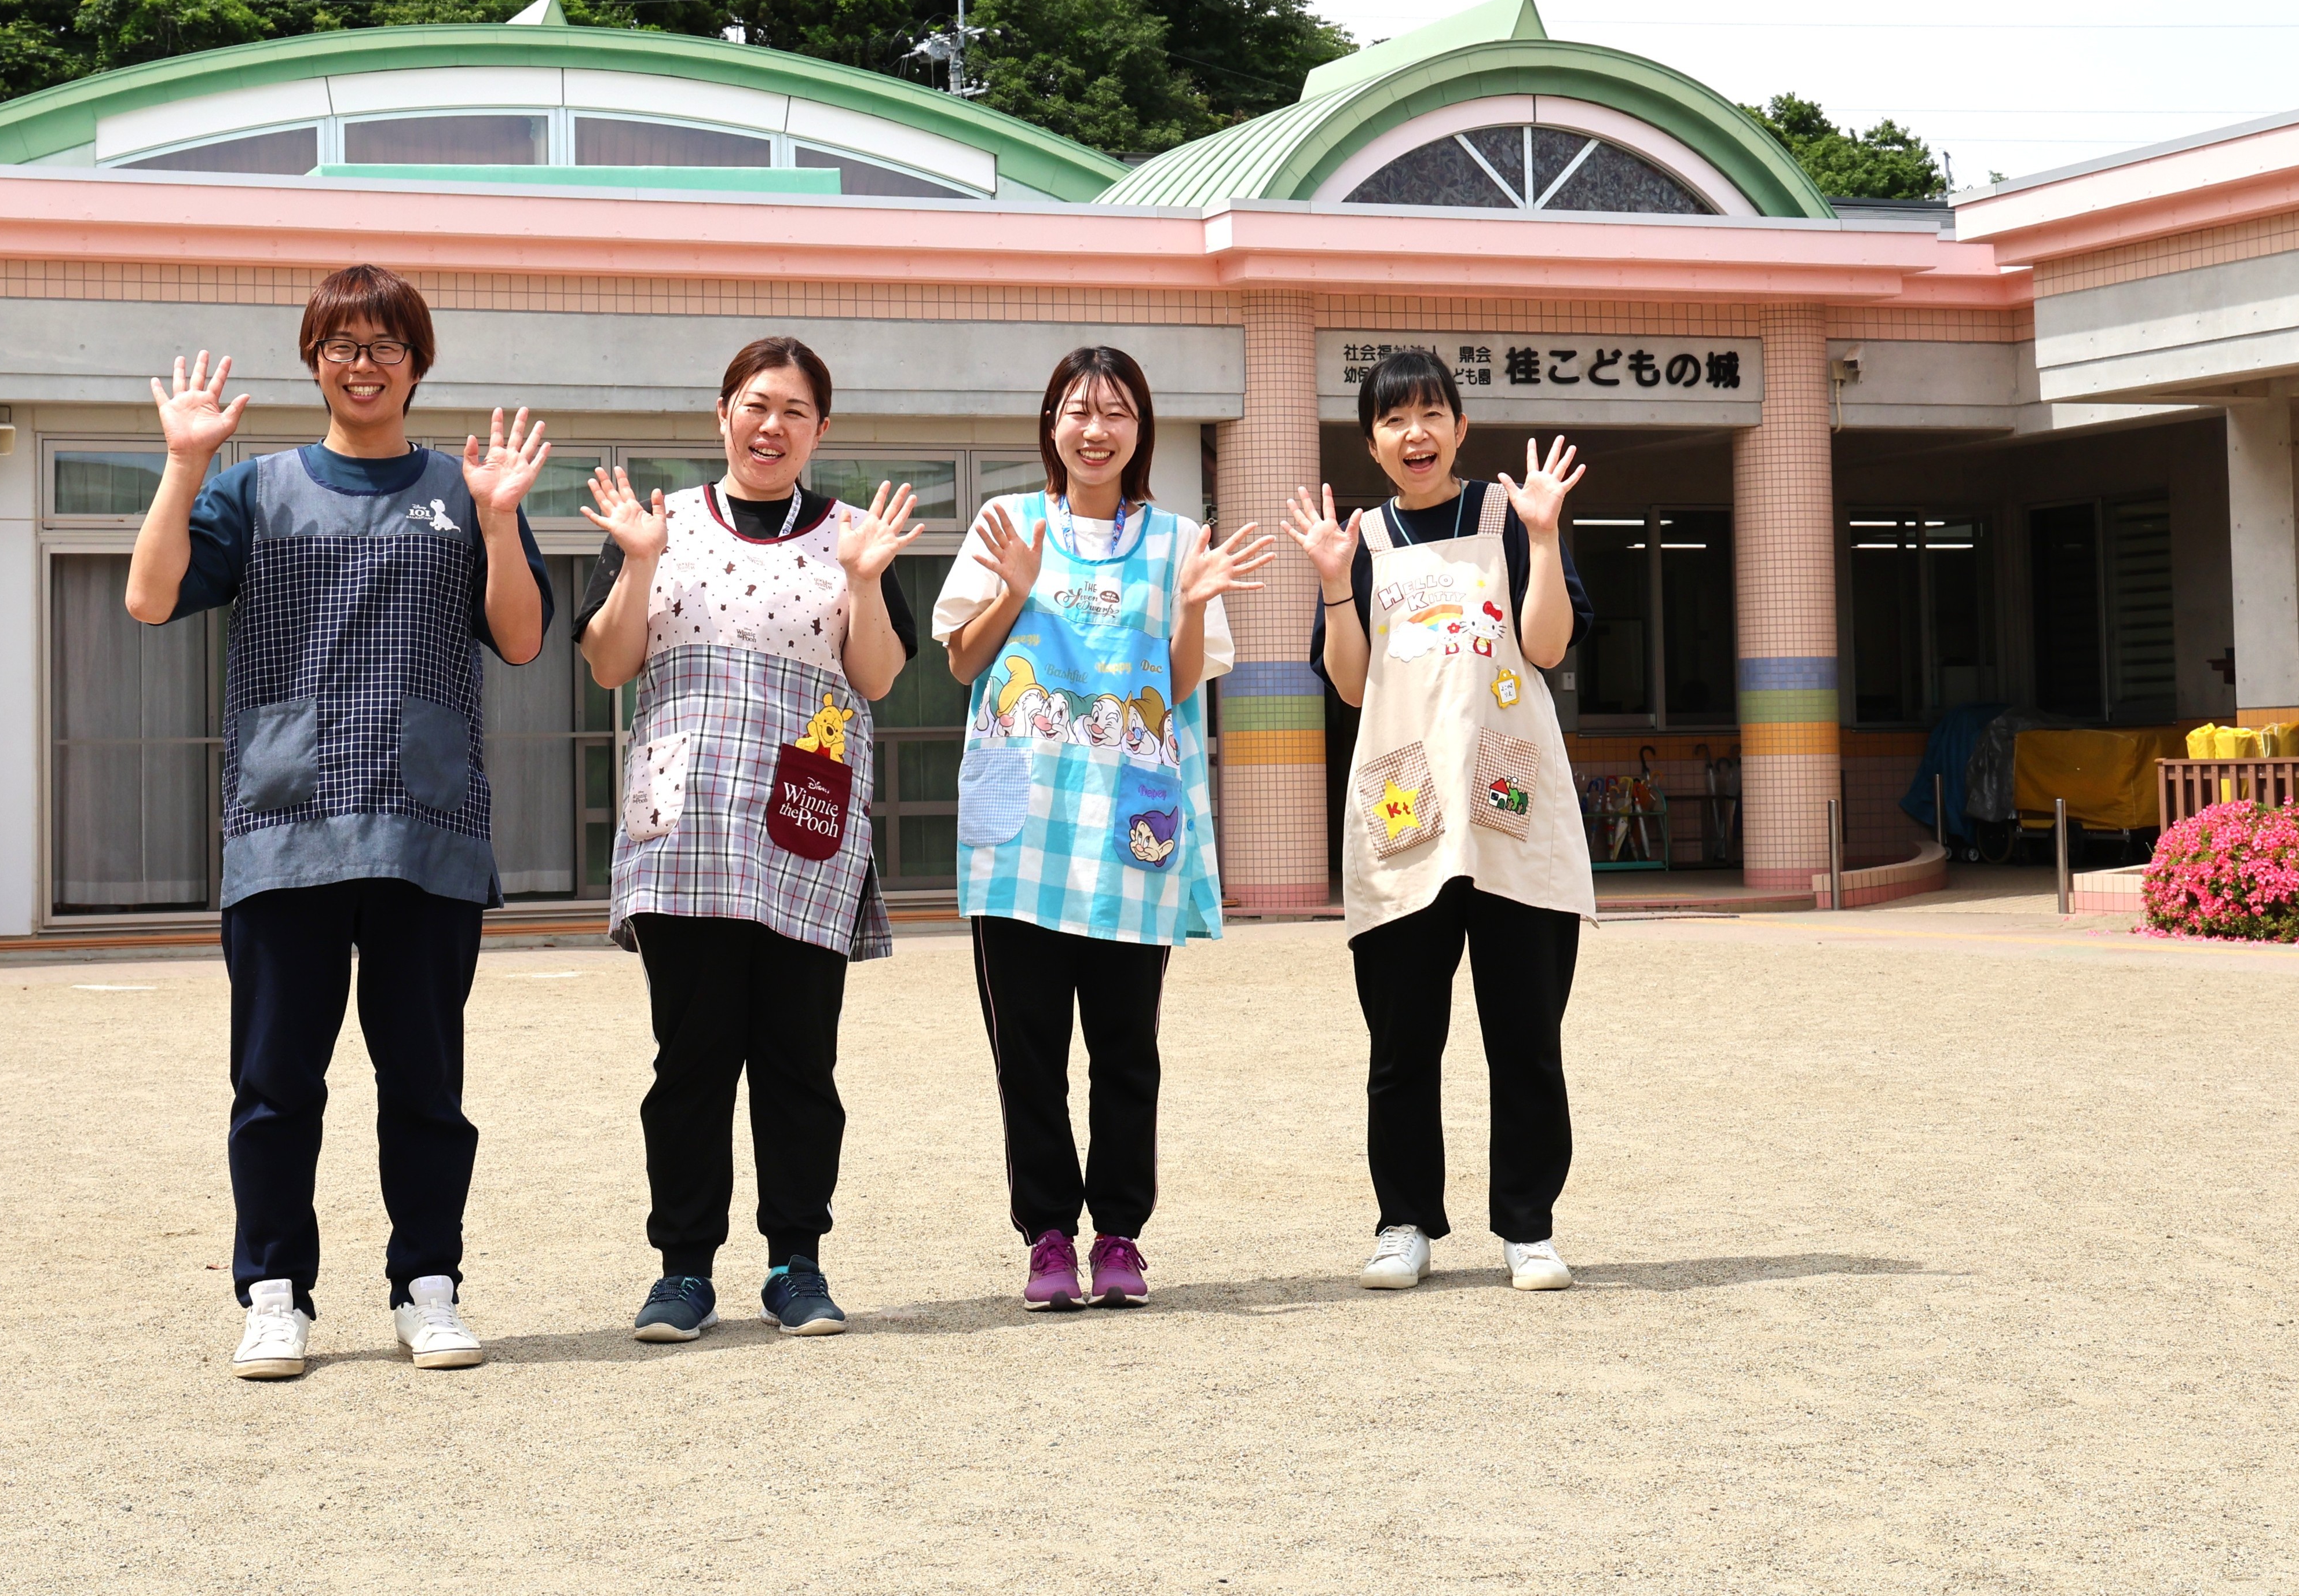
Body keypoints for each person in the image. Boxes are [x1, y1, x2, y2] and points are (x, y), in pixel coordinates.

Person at [126, 262, 557, 1380]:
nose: (362, 363)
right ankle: (275, 1293)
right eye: (341, 343)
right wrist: (183, 466)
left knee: (425, 1084)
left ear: (418, 361)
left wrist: (501, 523)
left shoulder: (467, 491)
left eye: (384, 344)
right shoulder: (254, 487)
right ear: (312, 357)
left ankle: (430, 1285)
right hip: (286, 825)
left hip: (428, 823)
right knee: (276, 1085)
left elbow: (519, 638)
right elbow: (150, 595)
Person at [575, 337, 924, 1344]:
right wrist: (636, 565)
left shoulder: (855, 535)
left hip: (803, 825)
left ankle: (795, 1262)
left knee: (798, 1061)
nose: (772, 426)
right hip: (685, 827)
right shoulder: (662, 525)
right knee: (689, 1058)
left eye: (796, 411)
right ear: (722, 411)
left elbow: (880, 677)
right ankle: (683, 1269)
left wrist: (863, 580)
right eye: (756, 404)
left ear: (821, 429)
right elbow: (607, 661)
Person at [936, 346, 1271, 1311]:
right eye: (1078, 410)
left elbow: (1181, 677)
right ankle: (1047, 1235)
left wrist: (1198, 605)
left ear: (1141, 429)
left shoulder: (1176, 541)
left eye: (1116, 411)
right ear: (1051, 424)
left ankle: (1120, 1232)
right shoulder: (1008, 524)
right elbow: (961, 664)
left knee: (1127, 1043)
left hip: (1131, 833)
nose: (1095, 428)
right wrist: (1016, 585)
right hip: (1022, 834)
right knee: (1027, 1049)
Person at [1280, 347, 1595, 1294]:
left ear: (1460, 426)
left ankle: (1528, 1225)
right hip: (1404, 806)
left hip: (1509, 803)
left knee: (1526, 1034)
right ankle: (1404, 1219)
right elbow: (1346, 681)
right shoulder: (1362, 539)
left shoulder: (1509, 517)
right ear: (1371, 441)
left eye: (1431, 414)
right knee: (1402, 1039)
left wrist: (1544, 540)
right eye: (1392, 419)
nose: (1414, 433)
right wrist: (1335, 582)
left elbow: (1544, 646)